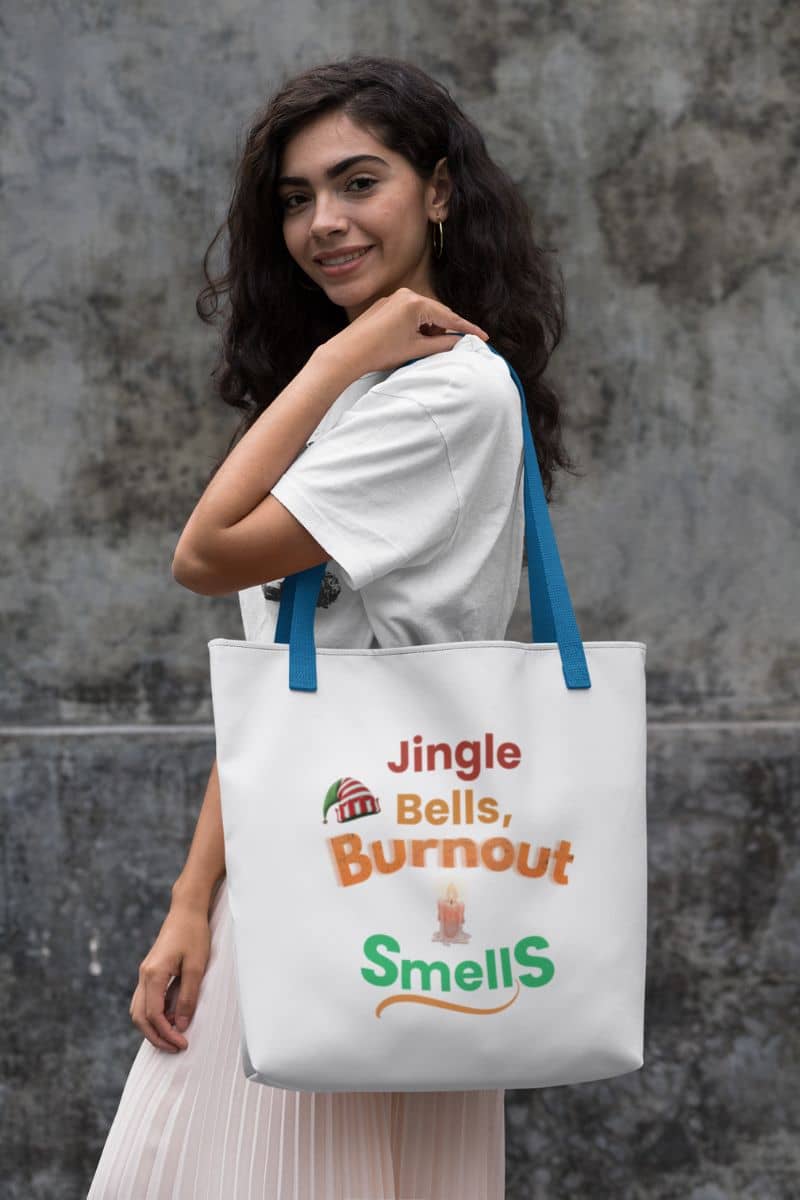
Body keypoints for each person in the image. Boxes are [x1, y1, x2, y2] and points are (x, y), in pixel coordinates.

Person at [86, 52, 578, 1199]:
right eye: (296, 199)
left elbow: (203, 556)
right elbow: (287, 680)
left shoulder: (439, 391)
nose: (324, 222)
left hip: (358, 886)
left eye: (359, 183)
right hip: (327, 870)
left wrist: (340, 353)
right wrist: (192, 904)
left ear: (440, 191)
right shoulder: (376, 388)